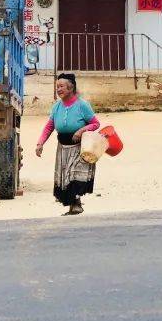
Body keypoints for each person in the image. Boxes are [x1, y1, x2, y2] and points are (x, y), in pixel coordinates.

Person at [35, 73, 101, 215]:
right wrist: (40, 143)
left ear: (71, 88)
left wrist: (81, 130)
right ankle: (72, 206)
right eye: (57, 86)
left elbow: (95, 124)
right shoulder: (56, 107)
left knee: (74, 175)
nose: (58, 89)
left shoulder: (82, 105)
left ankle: (76, 204)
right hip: (62, 148)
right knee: (65, 177)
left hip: (79, 147)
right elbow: (49, 126)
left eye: (61, 86)